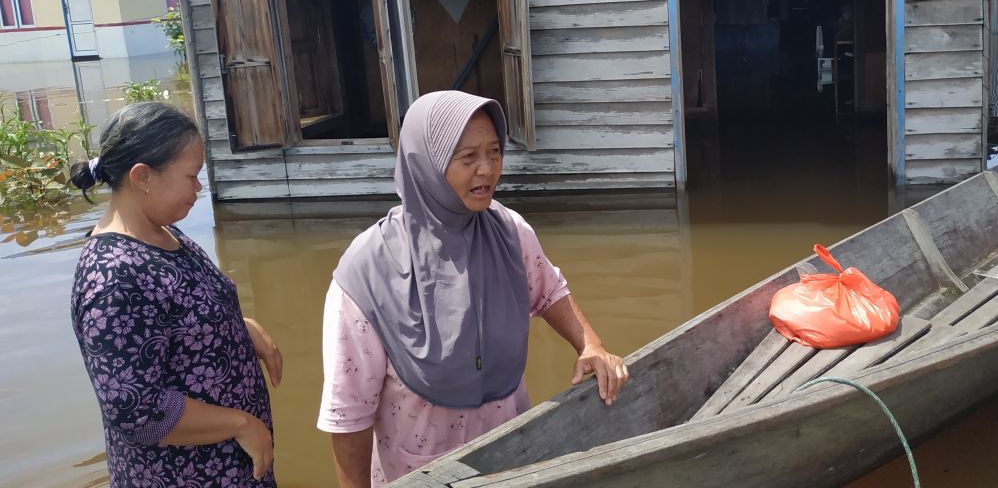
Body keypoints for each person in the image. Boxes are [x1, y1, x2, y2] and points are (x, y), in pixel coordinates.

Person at [318, 90, 629, 488]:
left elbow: (549, 291)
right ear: (425, 164)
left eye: (495, 152)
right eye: (467, 158)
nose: (487, 170)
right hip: (419, 472)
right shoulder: (368, 271)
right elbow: (348, 416)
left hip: (510, 457)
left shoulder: (509, 232)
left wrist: (590, 344)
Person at [69, 102, 283, 488]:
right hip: (183, 476)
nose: (199, 188)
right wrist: (240, 423)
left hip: (230, 466)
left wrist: (238, 327)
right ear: (143, 177)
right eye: (191, 176)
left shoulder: (165, 233)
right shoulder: (114, 276)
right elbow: (137, 409)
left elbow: (184, 313)